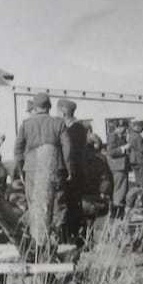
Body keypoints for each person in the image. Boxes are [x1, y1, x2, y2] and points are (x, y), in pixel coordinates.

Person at [13, 92, 73, 246]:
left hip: (32, 169)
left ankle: (37, 241)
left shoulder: (26, 124)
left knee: (34, 204)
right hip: (54, 167)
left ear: (35, 107)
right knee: (57, 203)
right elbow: (68, 149)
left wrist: (21, 170)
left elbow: (18, 151)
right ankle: (55, 240)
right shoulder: (58, 123)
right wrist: (69, 169)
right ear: (49, 107)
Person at [56, 99, 88, 244]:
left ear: (63, 111)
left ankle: (72, 236)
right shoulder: (80, 127)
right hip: (77, 171)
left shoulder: (74, 129)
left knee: (71, 204)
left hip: (72, 172)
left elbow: (69, 152)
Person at [106, 120, 130, 218]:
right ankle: (116, 212)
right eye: (122, 127)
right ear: (118, 127)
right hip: (117, 167)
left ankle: (118, 211)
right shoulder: (113, 136)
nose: (124, 129)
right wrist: (123, 148)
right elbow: (111, 152)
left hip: (122, 167)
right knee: (119, 190)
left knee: (122, 190)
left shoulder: (121, 137)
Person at [128, 119, 143, 188]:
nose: (142, 128)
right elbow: (142, 149)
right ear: (137, 127)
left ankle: (138, 193)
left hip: (133, 160)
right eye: (141, 126)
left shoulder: (130, 135)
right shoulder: (138, 136)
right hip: (140, 160)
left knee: (137, 179)